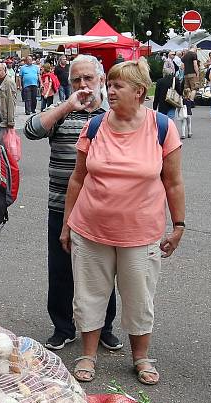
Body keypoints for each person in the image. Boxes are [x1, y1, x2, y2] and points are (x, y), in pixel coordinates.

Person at [61, 59, 185, 385]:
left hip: (141, 233)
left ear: (140, 92)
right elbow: (77, 179)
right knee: (89, 294)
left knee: (139, 297)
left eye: (118, 86)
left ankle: (141, 357)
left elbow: (173, 182)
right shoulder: (94, 126)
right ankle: (88, 353)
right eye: (110, 84)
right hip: (90, 228)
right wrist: (67, 223)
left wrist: (179, 225)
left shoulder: (162, 127)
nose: (110, 90)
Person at [24, 54, 122, 351]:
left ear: (101, 80)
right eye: (76, 79)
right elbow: (31, 131)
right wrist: (67, 105)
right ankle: (63, 326)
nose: (83, 85)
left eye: (88, 79)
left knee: (102, 271)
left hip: (101, 209)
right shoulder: (61, 113)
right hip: (60, 206)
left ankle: (104, 326)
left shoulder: (111, 115)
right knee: (61, 269)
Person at [0, 62, 18, 143]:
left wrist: (10, 121)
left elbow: (11, 102)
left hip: (4, 120)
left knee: (3, 145)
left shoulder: (8, 82)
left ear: (4, 70)